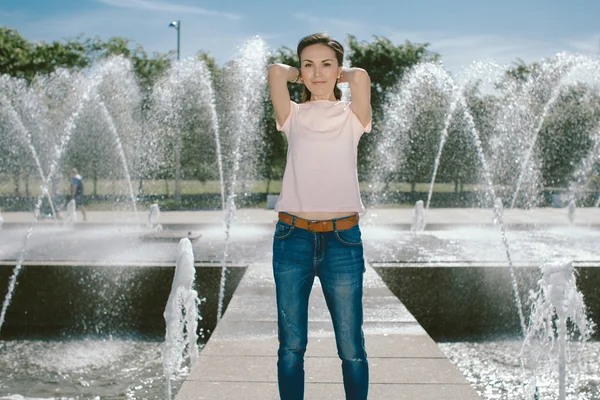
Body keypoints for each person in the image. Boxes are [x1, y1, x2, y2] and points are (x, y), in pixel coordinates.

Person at [267, 33, 372, 400]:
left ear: (339, 69)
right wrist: (302, 74)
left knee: (351, 349)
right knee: (291, 348)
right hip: (291, 239)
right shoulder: (292, 115)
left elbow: (360, 78)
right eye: (308, 64)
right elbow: (275, 72)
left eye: (326, 64)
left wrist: (335, 74)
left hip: (343, 241)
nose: (317, 72)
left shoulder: (354, 116)